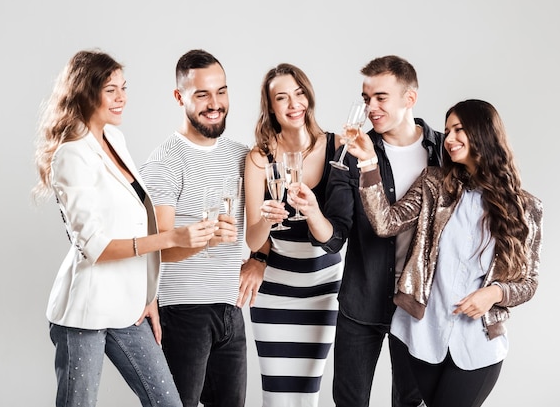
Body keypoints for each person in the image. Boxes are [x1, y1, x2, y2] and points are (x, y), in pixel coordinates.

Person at [33, 50, 215, 407]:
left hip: (129, 308)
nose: (122, 98)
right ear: (86, 92)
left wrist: (148, 296)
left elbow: (137, 218)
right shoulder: (71, 155)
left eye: (124, 88)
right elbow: (95, 246)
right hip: (85, 313)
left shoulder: (114, 139)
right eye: (110, 89)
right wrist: (172, 237)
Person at [341, 98, 544, 407]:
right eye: (447, 130)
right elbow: (386, 222)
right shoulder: (435, 185)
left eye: (459, 129)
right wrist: (369, 164)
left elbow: (528, 282)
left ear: (484, 133)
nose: (448, 139)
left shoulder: (526, 207)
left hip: (478, 342)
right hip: (423, 337)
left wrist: (494, 293)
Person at [287, 55, 443, 407]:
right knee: (349, 401)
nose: (370, 107)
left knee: (411, 401)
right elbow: (334, 236)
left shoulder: (443, 154)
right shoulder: (351, 154)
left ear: (410, 98)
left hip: (420, 305)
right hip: (362, 302)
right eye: (366, 98)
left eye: (380, 98)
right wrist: (313, 211)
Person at [139, 49, 249, 407]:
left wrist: (260, 258)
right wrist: (204, 241)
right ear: (180, 97)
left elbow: (263, 226)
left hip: (231, 310)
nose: (214, 103)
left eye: (221, 91)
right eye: (202, 94)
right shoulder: (165, 160)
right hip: (184, 313)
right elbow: (160, 248)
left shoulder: (242, 155)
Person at [239, 63, 344, 407]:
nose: (293, 103)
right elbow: (254, 241)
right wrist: (267, 220)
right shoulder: (259, 157)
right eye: (281, 97)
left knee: (306, 396)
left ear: (309, 95)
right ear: (270, 107)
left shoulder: (338, 148)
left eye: (298, 93)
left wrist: (313, 210)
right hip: (275, 289)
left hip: (324, 287)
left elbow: (340, 230)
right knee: (278, 395)